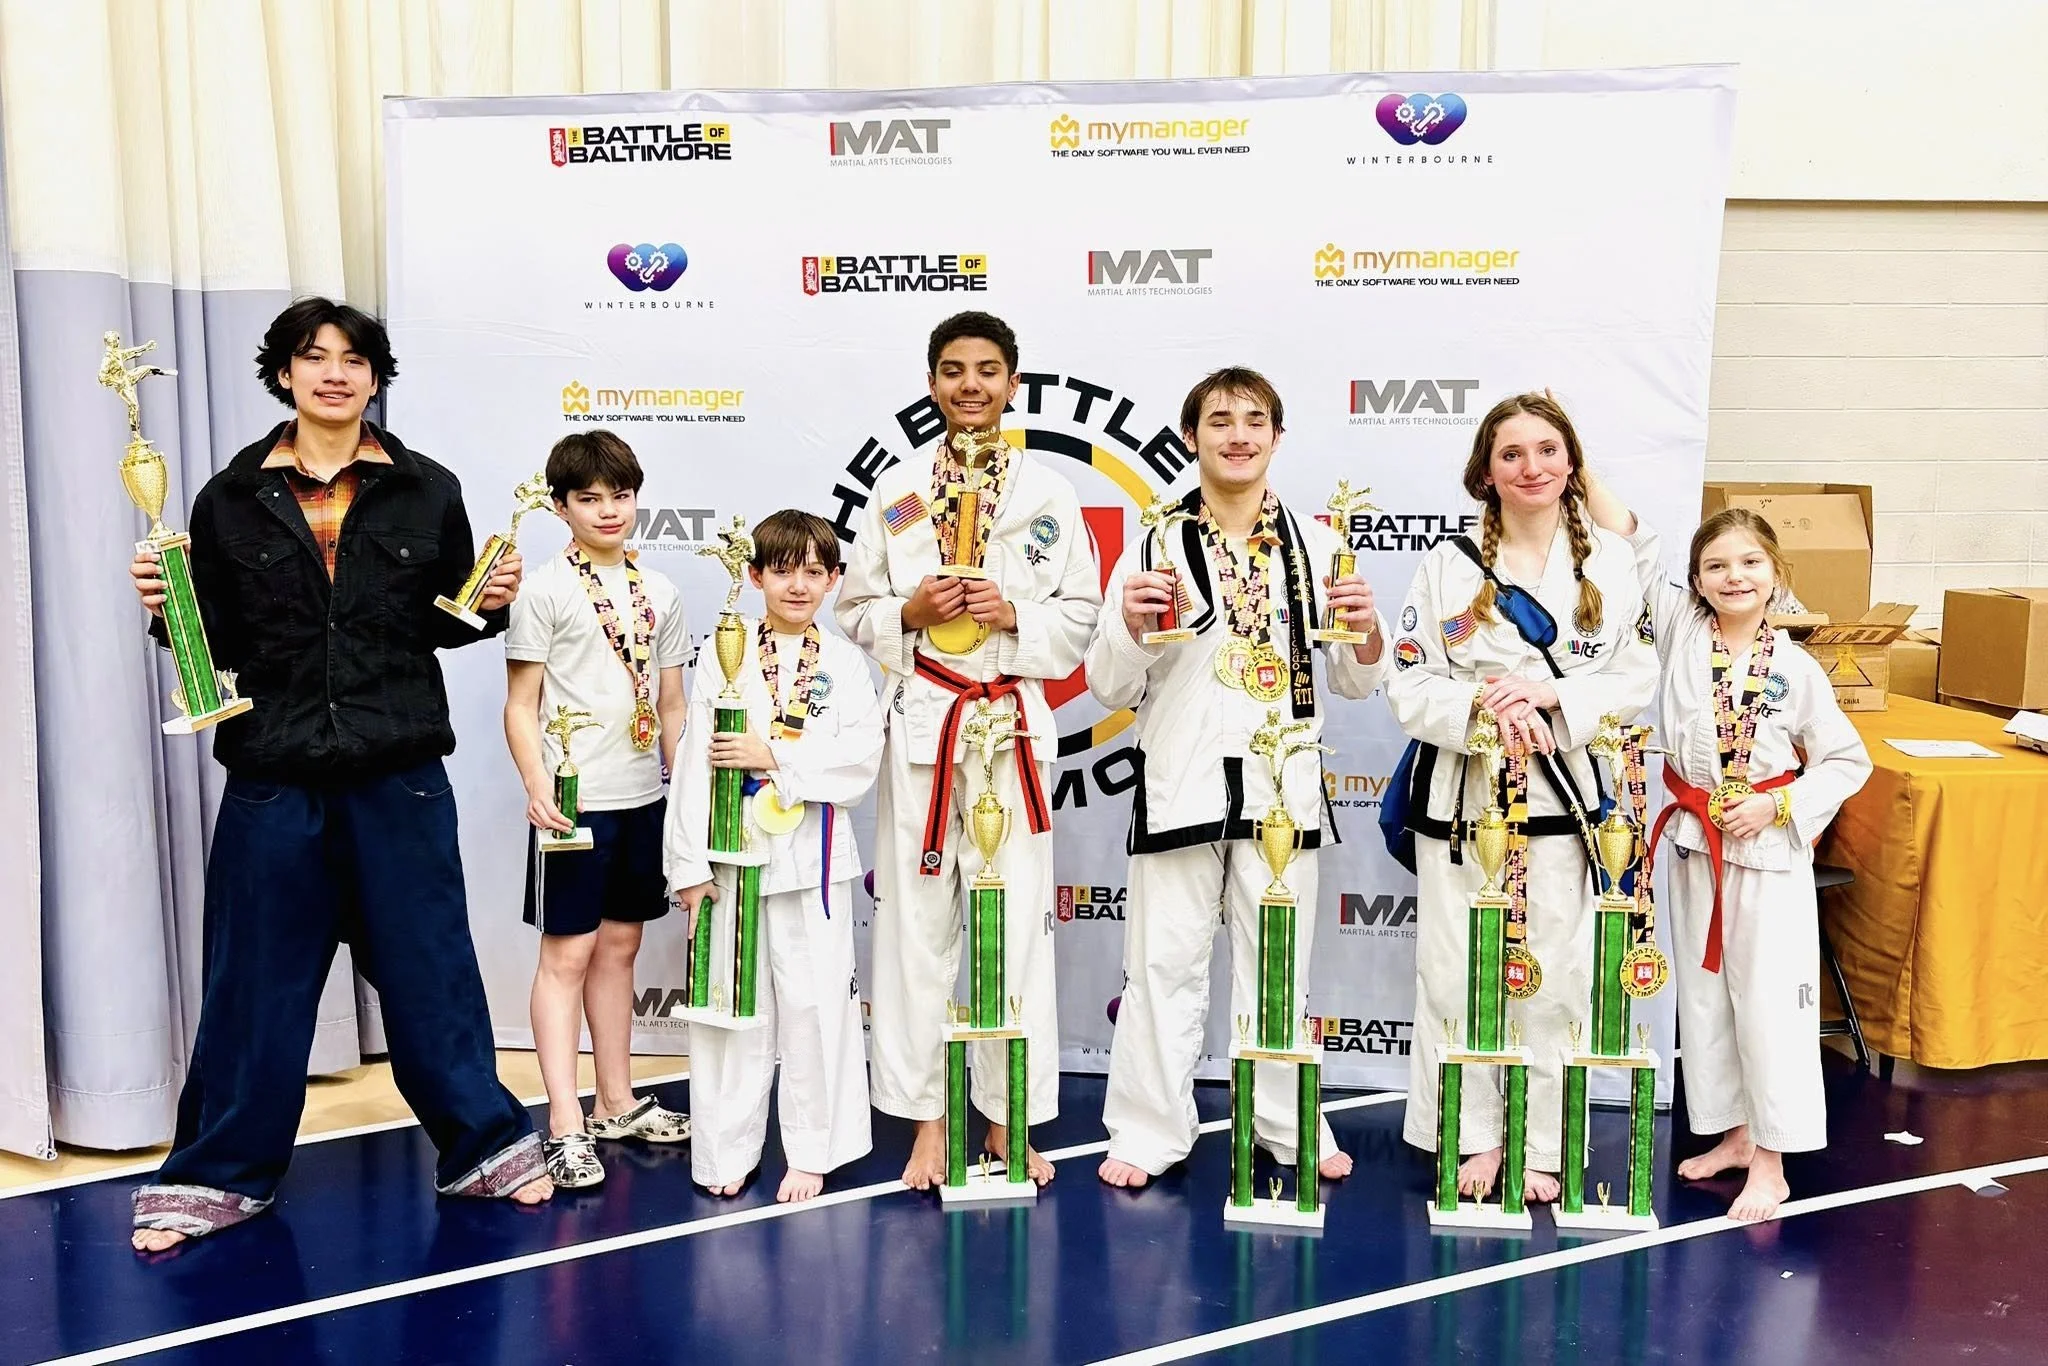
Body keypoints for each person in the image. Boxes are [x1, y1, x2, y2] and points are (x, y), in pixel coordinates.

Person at [127, 297, 551, 1252]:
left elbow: (443, 620)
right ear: (284, 374)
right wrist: (167, 608)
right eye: (313, 357)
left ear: (374, 377)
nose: (334, 373)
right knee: (255, 982)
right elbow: (215, 642)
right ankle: (219, 1173)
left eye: (353, 359)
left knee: (430, 969)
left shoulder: (428, 489)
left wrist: (489, 603)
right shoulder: (227, 498)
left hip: (399, 772)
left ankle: (483, 1147)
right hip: (274, 775)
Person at [1088, 367, 1388, 1189]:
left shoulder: (1317, 545)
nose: (1238, 435)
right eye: (1219, 420)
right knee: (1161, 967)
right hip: (1181, 779)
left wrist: (1365, 629)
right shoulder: (1152, 542)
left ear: (1277, 438)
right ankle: (1150, 1128)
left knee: (1280, 966)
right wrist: (1130, 626)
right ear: (1191, 437)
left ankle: (1287, 1122)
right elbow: (1108, 683)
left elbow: (1358, 679)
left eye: (1255, 420)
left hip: (1282, 788)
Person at [836, 311, 1103, 1190]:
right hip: (925, 722)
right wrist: (908, 614)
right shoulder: (899, 490)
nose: (971, 385)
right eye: (953, 370)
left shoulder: (1048, 494)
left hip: (1010, 725)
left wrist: (1014, 614)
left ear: (1013, 383)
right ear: (931, 384)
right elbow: (854, 609)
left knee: (1014, 932)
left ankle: (1005, 1118)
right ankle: (927, 1120)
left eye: (988, 370)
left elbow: (1082, 618)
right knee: (916, 933)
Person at [1384, 391, 1656, 1206]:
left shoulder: (1610, 562)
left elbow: (1636, 674)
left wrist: (1551, 695)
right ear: (1486, 471)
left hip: (1563, 799)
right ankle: (1469, 1135)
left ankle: (1542, 1143)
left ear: (1571, 465)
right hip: (1463, 803)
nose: (1530, 467)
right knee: (1453, 971)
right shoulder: (1448, 564)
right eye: (1511, 454)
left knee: (1557, 976)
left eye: (1546, 450)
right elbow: (1409, 680)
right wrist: (1484, 705)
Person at [1585, 491, 1871, 1221]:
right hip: (1694, 842)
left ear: (1777, 572)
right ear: (1696, 580)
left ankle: (1773, 1161)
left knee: (1769, 1005)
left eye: (1750, 563)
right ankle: (1736, 1134)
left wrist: (1778, 806)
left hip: (1766, 853)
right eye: (1715, 566)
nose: (1734, 576)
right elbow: (1632, 536)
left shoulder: (1797, 668)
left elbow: (1846, 761)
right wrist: (1576, 464)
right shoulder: (1683, 632)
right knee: (1707, 999)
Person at [666, 510, 883, 1202]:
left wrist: (774, 757)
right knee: (733, 1010)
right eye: (783, 571)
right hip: (731, 854)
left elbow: (860, 759)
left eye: (813, 572)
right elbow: (693, 760)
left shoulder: (845, 664)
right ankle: (725, 1151)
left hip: (812, 858)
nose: (798, 586)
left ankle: (814, 1151)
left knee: (818, 1010)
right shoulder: (723, 650)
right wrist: (688, 865)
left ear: (834, 579)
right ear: (755, 576)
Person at [503, 430, 692, 1190]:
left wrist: (687, 796)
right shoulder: (546, 590)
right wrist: (537, 784)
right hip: (574, 804)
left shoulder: (662, 591)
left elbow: (671, 705)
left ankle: (616, 1102)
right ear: (561, 507)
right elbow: (520, 704)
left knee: (619, 949)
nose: (609, 510)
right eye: (589, 498)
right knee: (567, 958)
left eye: (621, 495)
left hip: (642, 798)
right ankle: (564, 1123)